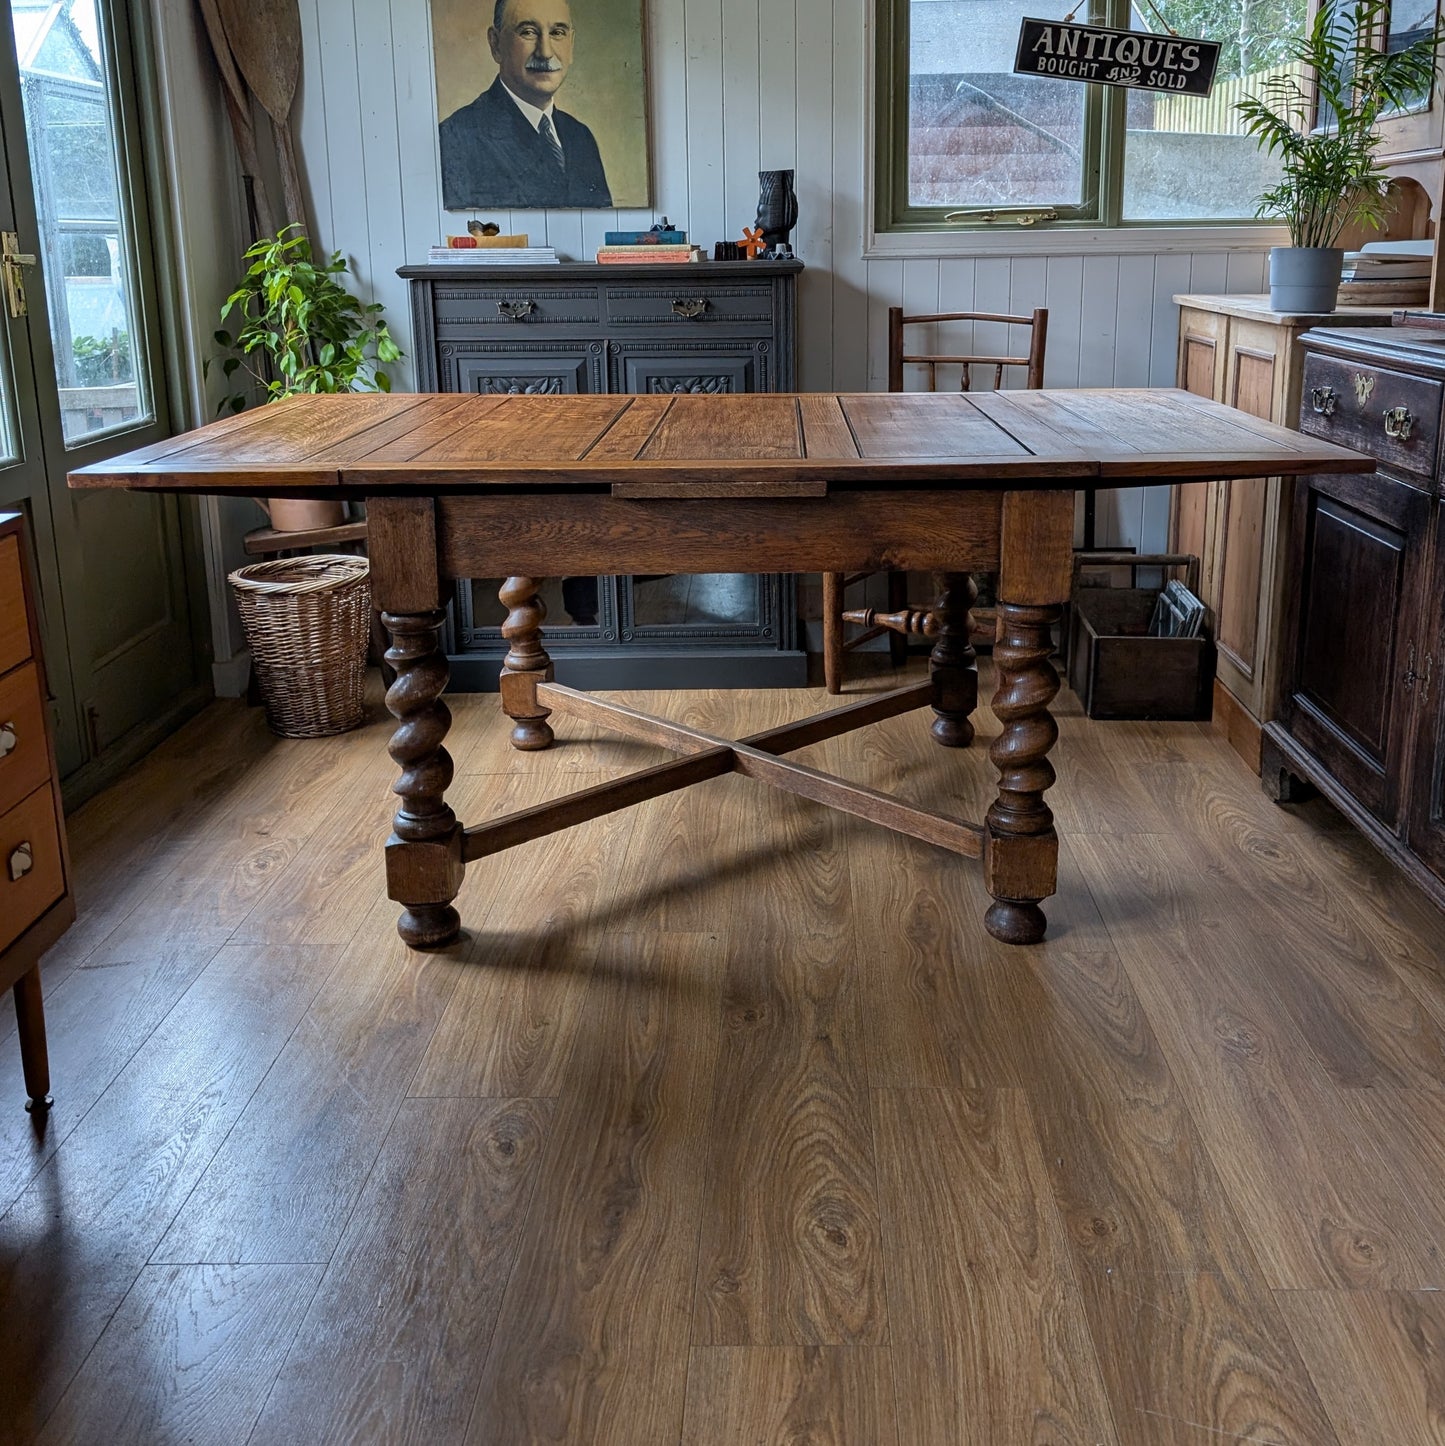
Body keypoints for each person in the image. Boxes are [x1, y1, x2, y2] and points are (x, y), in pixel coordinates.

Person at [440, 0, 612, 210]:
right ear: (496, 44)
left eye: (557, 32)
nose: (546, 52)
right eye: (528, 32)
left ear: (571, 44)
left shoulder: (580, 137)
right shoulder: (457, 137)